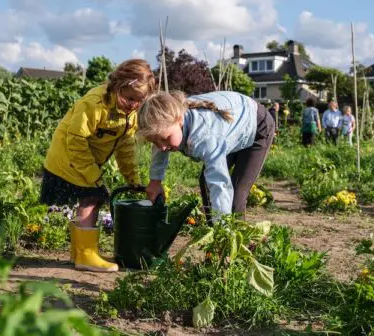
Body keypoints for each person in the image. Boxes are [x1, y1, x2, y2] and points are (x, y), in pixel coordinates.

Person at [40, 58, 155, 273]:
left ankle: (79, 253)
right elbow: (76, 139)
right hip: (69, 156)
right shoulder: (95, 103)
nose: (133, 105)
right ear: (118, 85)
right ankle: (86, 256)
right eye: (130, 98)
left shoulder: (130, 115)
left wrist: (133, 179)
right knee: (92, 196)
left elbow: (125, 148)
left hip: (83, 159)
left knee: (91, 196)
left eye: (139, 101)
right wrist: (92, 174)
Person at [138, 90, 275, 225]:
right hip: (228, 126)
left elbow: (219, 183)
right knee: (206, 182)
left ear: (179, 120)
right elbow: (160, 146)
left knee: (235, 195)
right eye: (155, 142)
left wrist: (222, 227)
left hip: (256, 125)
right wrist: (155, 181)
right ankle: (214, 228)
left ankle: (231, 233)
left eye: (166, 138)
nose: (162, 147)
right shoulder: (167, 126)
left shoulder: (205, 136)